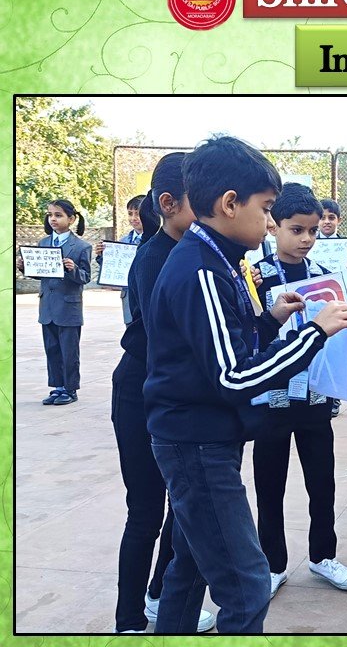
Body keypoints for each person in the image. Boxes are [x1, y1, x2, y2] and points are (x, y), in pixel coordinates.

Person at [143, 136, 347, 634]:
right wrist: (313, 332)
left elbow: (225, 348)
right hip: (196, 443)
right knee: (247, 584)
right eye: (265, 209)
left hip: (199, 437)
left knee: (191, 567)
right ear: (229, 204)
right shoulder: (202, 269)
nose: (268, 222)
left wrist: (269, 320)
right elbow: (234, 376)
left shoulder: (217, 259)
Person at [109, 154, 215, 634]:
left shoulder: (196, 251)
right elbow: (170, 340)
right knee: (147, 509)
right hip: (141, 394)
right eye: (201, 201)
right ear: (168, 204)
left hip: (172, 395)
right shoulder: (156, 258)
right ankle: (129, 617)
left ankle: (158, 594)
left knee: (182, 505)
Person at [252, 183, 347, 599]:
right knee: (269, 485)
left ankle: (323, 556)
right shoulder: (255, 276)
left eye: (312, 231)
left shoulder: (327, 276)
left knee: (322, 482)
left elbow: (343, 326)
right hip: (272, 397)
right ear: (274, 227)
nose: (306, 239)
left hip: (317, 395)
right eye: (296, 229)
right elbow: (248, 331)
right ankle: (272, 564)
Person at [17, 199, 92, 405]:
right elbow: (42, 273)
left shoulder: (82, 246)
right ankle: (57, 387)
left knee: (69, 351)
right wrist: (25, 267)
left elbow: (85, 277)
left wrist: (73, 269)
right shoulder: (43, 243)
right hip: (47, 306)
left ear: (71, 219)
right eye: (50, 215)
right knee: (52, 349)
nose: (53, 219)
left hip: (69, 307)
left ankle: (71, 389)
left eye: (58, 215)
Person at [318, 197, 347, 416]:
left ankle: (333, 397)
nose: (326, 221)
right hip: (318, 304)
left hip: (340, 302)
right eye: (323, 217)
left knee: (338, 352)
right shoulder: (310, 245)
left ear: (339, 220)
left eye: (331, 217)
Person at [95, 195, 146, 324]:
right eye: (130, 214)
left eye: (137, 214)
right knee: (131, 332)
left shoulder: (156, 240)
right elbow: (114, 266)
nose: (133, 218)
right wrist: (102, 256)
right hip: (128, 299)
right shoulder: (123, 242)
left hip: (147, 298)